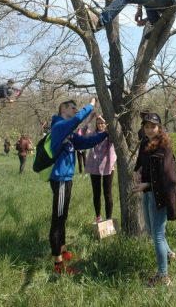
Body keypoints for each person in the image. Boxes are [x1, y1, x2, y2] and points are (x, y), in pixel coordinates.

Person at [49, 98, 108, 275]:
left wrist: (106, 134)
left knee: (63, 216)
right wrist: (90, 106)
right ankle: (58, 265)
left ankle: (63, 249)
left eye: (76, 107)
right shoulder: (59, 125)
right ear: (63, 109)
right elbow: (76, 120)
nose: (75, 110)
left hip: (66, 178)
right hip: (59, 179)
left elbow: (85, 142)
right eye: (72, 107)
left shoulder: (69, 132)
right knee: (58, 220)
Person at [133, 112, 176, 287]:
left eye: (153, 126)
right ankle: (169, 255)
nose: (150, 130)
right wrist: (137, 172)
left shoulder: (164, 146)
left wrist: (146, 185)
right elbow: (141, 162)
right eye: (146, 127)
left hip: (158, 193)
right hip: (147, 191)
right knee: (152, 231)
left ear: (159, 127)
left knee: (158, 235)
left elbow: (167, 177)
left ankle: (163, 276)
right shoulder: (146, 142)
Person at [85, 115, 117, 223]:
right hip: (94, 167)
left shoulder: (109, 135)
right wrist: (90, 119)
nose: (100, 125)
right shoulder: (93, 134)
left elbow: (114, 138)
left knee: (107, 193)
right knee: (96, 193)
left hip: (108, 167)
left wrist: (109, 127)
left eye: (102, 123)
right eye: (98, 123)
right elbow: (83, 132)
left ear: (106, 124)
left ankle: (108, 219)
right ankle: (98, 217)